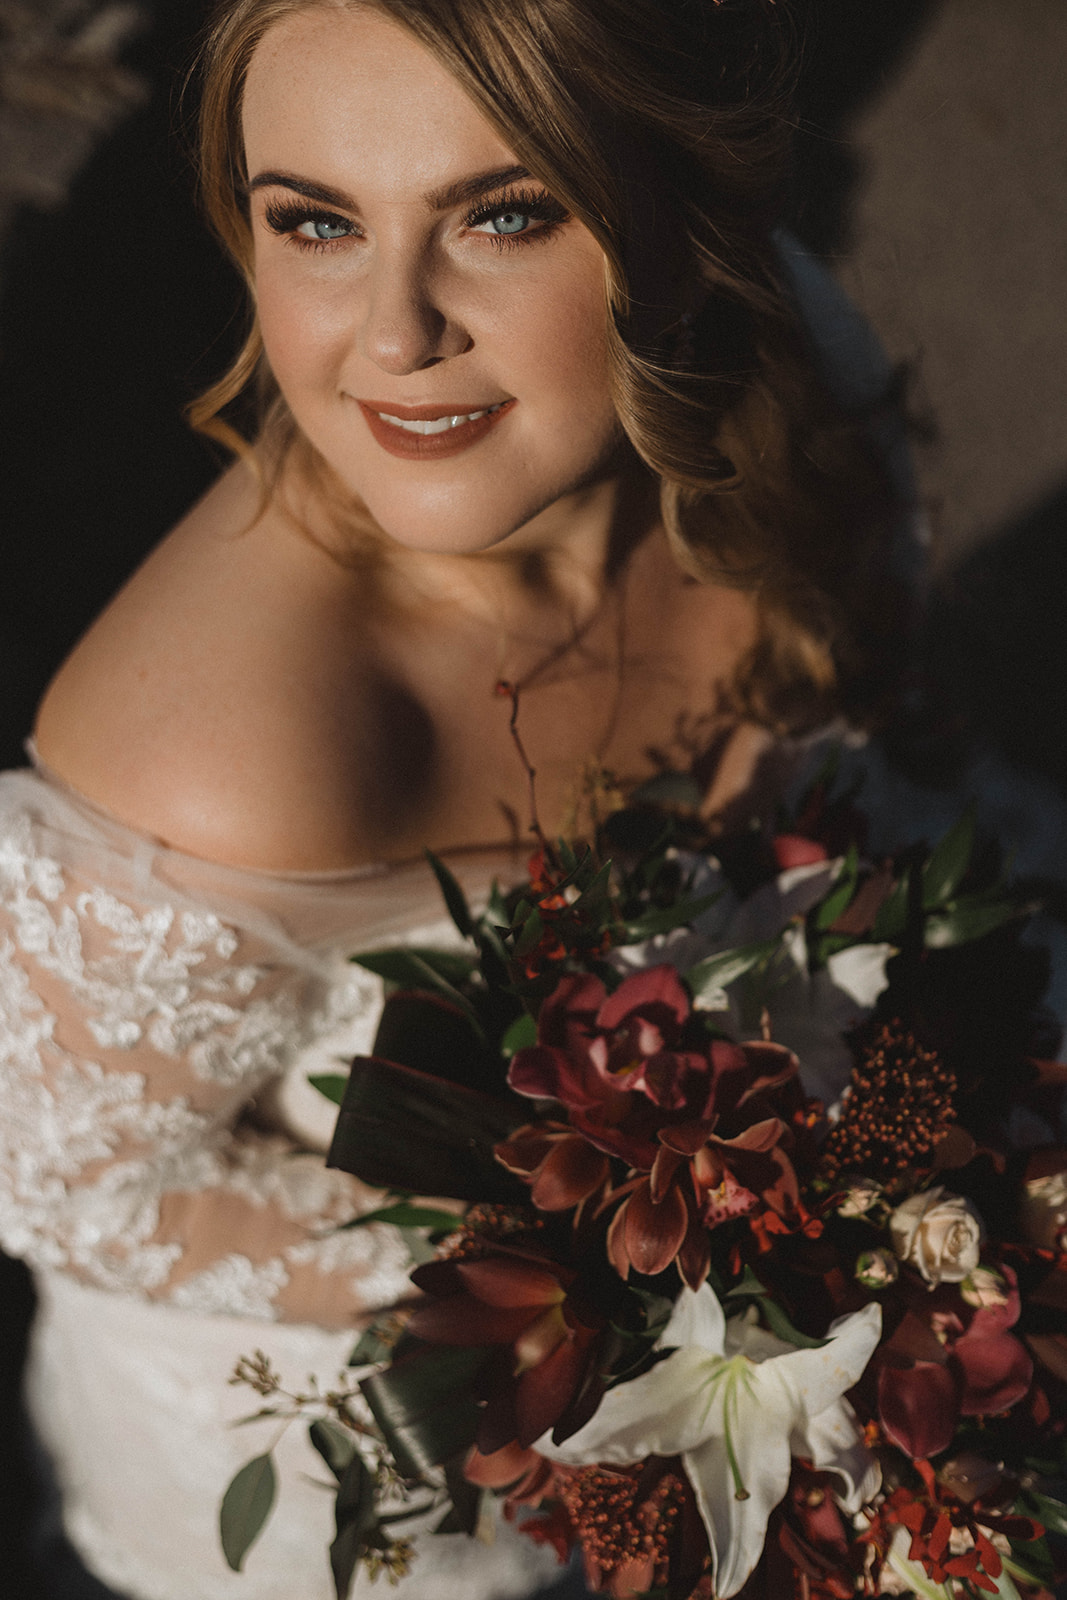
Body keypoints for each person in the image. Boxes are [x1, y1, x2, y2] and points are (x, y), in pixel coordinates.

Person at [0, 1, 916, 1596]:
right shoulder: (229, 754)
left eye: (503, 214)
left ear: (680, 215)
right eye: (317, 223)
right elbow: (77, 1191)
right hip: (355, 1479)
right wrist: (641, 1262)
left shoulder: (792, 371)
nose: (395, 335)